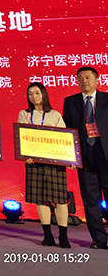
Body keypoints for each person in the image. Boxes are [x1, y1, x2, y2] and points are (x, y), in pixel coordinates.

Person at [17, 82, 70, 247]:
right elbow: (22, 136)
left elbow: (64, 139)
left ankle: (63, 236)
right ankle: (48, 235)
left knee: (60, 200)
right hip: (34, 162)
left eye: (37, 93)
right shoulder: (24, 114)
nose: (34, 97)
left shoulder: (55, 115)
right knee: (40, 199)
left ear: (44, 94)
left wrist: (68, 159)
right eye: (30, 94)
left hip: (55, 163)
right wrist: (25, 155)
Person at [63, 66, 108, 250]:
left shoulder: (106, 99)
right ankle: (99, 238)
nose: (84, 81)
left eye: (88, 77)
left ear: (97, 80)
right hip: (84, 156)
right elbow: (67, 131)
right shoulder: (70, 101)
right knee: (90, 199)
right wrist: (70, 156)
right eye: (80, 78)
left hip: (105, 154)